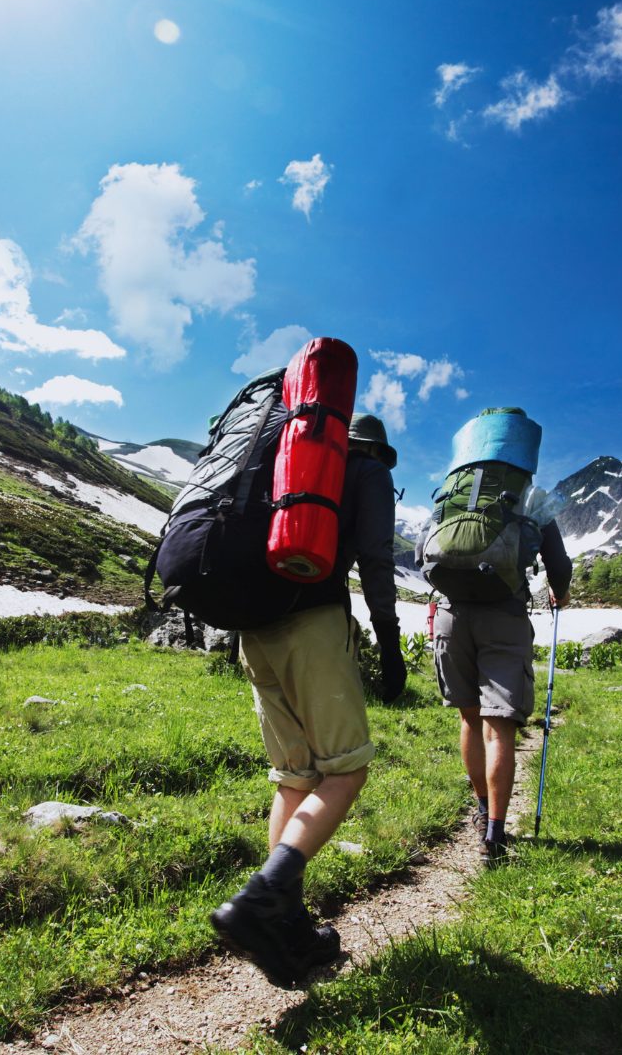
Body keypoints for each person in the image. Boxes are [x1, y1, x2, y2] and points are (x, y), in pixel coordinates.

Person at [210, 412, 406, 986]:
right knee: (345, 773)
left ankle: (288, 929)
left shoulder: (282, 459)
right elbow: (374, 558)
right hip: (313, 627)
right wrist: (389, 643)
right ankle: (263, 899)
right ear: (373, 450)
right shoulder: (365, 471)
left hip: (255, 631)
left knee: (293, 776)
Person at [431, 468, 573, 867]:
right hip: (503, 616)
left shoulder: (454, 494)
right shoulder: (531, 498)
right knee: (500, 726)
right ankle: (495, 832)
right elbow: (558, 566)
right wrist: (559, 594)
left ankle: (480, 811)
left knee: (470, 719)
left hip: (450, 614)